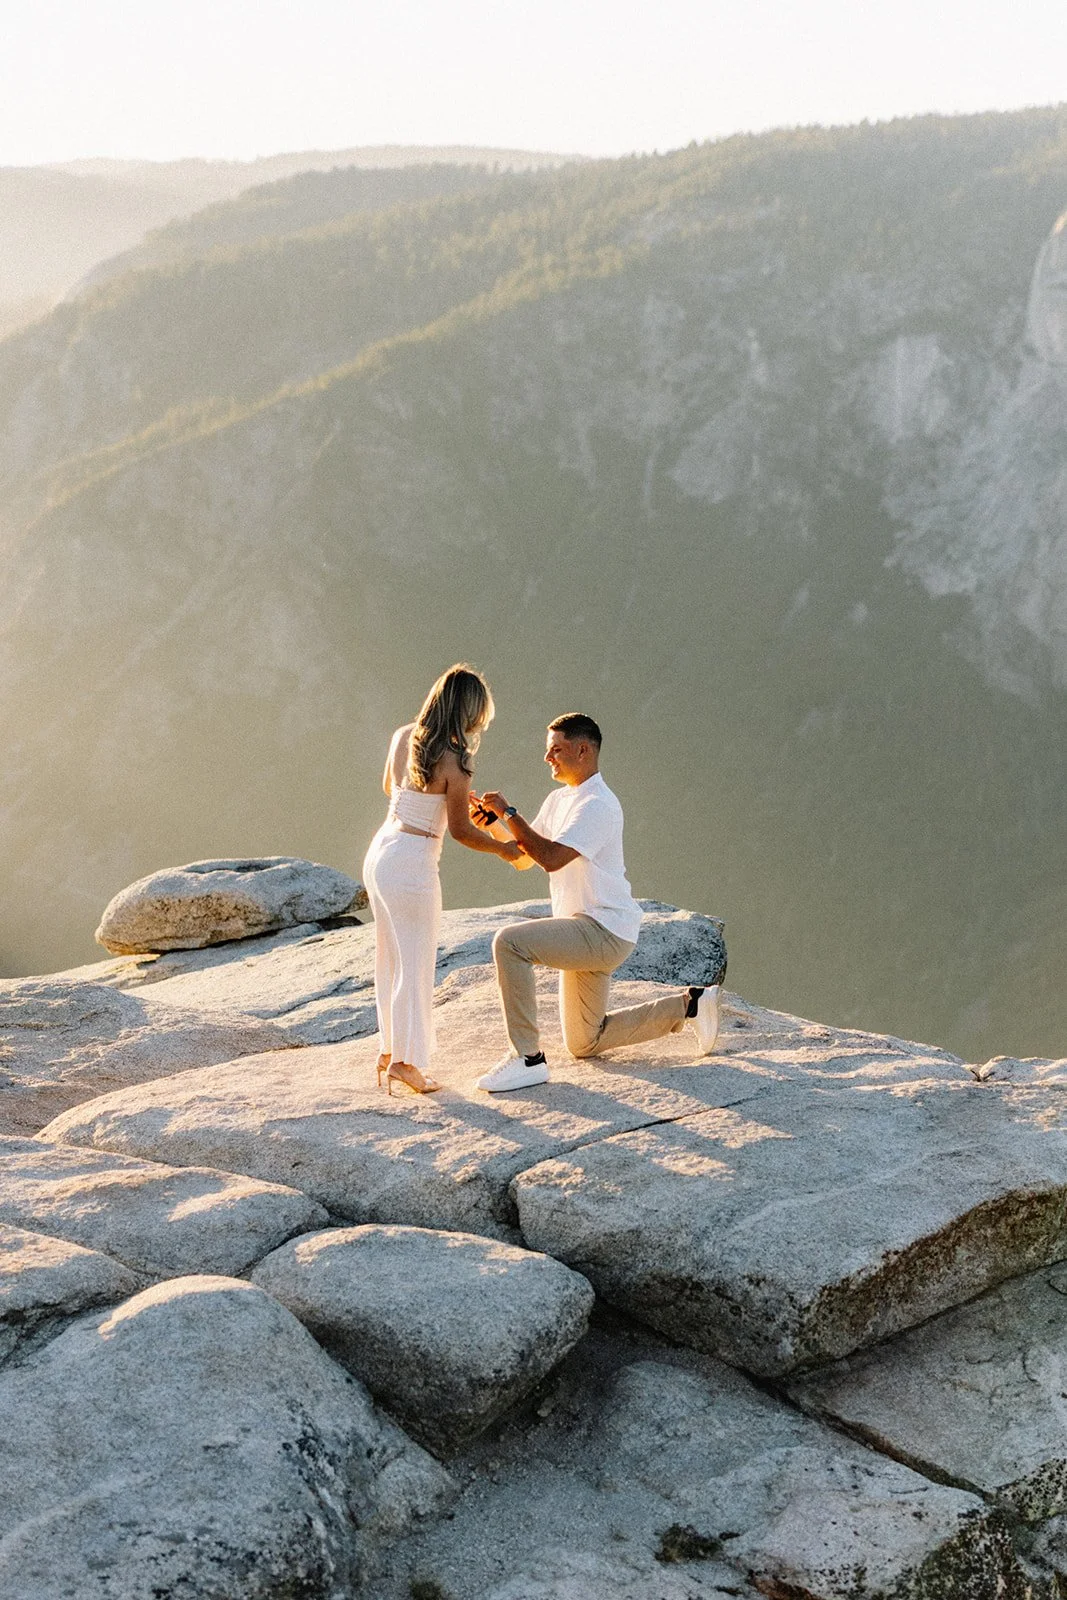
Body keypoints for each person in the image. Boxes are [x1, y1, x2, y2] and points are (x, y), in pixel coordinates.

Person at [471, 712, 724, 1092]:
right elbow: (525, 857)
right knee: (585, 1042)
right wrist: (494, 825)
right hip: (585, 930)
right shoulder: (560, 799)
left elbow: (552, 858)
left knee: (509, 943)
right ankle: (691, 1005)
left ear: (583, 750)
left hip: (602, 929)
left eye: (556, 750)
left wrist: (510, 813)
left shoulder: (598, 804)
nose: (547, 757)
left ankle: (527, 1059)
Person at [362, 664, 523, 1095]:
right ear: (470, 712)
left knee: (389, 959)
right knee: (415, 966)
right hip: (413, 863)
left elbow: (391, 788)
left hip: (382, 851)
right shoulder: (457, 761)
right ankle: (407, 1064)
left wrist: (438, 800)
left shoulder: (404, 737)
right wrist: (505, 849)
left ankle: (388, 1051)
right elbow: (463, 832)